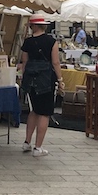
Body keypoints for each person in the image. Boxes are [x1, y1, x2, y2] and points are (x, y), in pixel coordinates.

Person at [18, 14, 62, 158]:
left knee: (34, 110)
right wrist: (60, 79)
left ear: (33, 26)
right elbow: (55, 62)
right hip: (45, 79)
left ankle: (27, 142)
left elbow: (24, 62)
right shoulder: (51, 41)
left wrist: (24, 78)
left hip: (30, 79)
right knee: (44, 113)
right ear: (44, 25)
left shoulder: (27, 42)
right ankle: (38, 147)